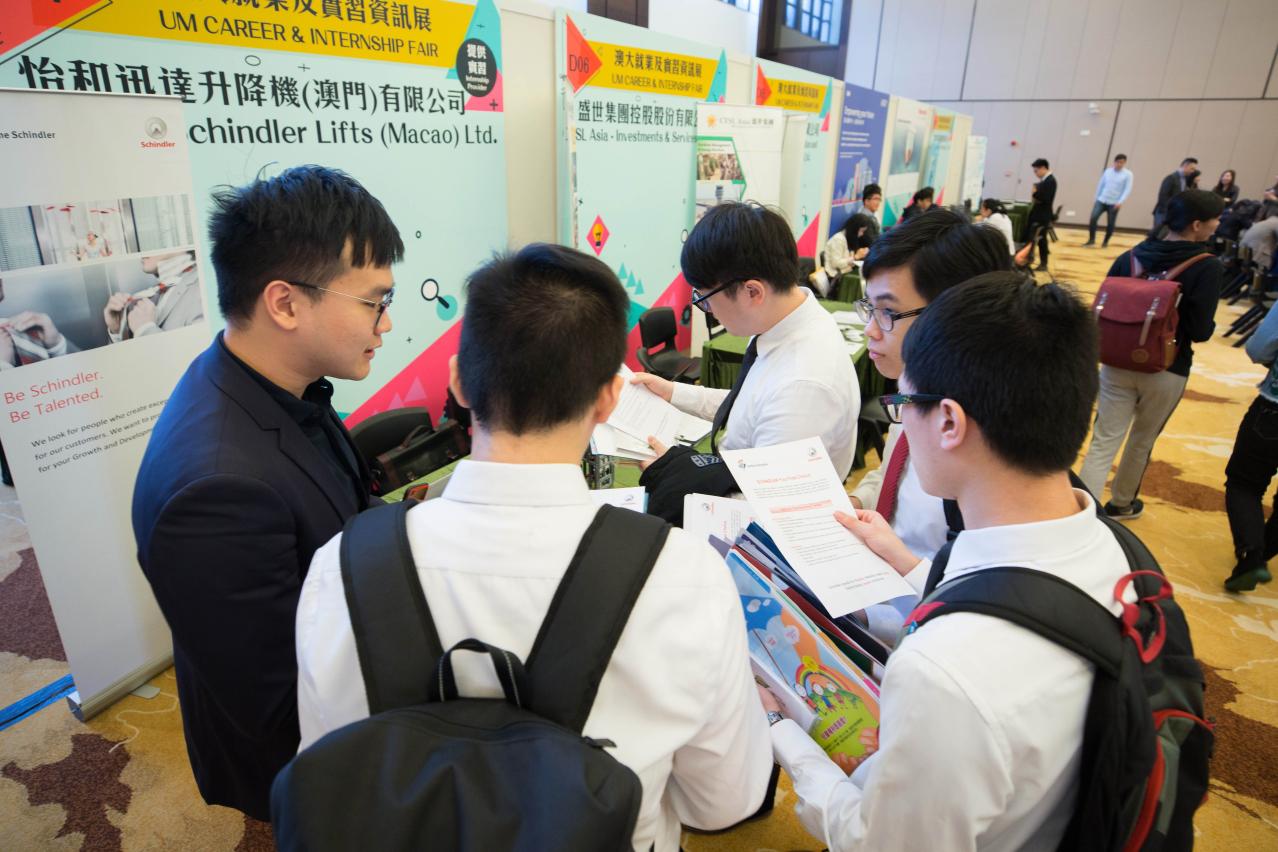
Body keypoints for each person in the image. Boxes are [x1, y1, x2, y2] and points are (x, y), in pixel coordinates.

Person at [296, 243, 773, 851]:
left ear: (459, 382)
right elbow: (722, 802)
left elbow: (327, 765)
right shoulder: (685, 577)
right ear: (609, 398)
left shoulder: (341, 566)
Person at [761, 272, 1132, 850]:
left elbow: (876, 842)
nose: (901, 422)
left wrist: (781, 729)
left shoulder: (944, 674)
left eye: (903, 404)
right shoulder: (1115, 548)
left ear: (950, 422)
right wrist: (906, 563)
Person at [132, 166, 401, 821]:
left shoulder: (268, 379)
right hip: (306, 753)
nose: (386, 324)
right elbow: (279, 705)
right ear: (284, 304)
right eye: (374, 302)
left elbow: (344, 503)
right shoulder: (217, 493)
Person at [632, 202, 858, 518]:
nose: (707, 310)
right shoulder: (778, 322)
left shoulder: (804, 387)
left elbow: (762, 510)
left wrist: (671, 473)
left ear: (752, 292)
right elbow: (752, 406)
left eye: (705, 299)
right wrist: (673, 392)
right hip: (732, 475)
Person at [849, 208, 1013, 640]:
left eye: (887, 312)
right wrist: (859, 500)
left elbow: (980, 617)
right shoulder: (915, 393)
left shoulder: (981, 453)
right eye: (869, 308)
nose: (870, 331)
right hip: (878, 599)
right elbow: (893, 473)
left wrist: (882, 605)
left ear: (952, 315)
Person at [1078, 189, 1226, 519]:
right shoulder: (1206, 267)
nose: (1218, 225)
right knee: (1142, 440)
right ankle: (1121, 503)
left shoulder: (1131, 256)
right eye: (1216, 219)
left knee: (1103, 439)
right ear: (1197, 225)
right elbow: (1200, 331)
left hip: (1115, 360)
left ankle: (1083, 512)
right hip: (1166, 368)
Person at [1223, 302, 1278, 592]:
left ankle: (1252, 554)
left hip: (1273, 411)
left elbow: (1259, 349)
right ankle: (1260, 554)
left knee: (1244, 483)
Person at [104, 250, 204, 341]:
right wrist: (118, 331)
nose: (140, 251)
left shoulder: (203, 287)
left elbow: (200, 353)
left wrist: (146, 330)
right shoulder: (161, 289)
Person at [1084, 154, 1133, 248]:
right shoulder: (1107, 171)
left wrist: (1120, 202)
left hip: (1115, 203)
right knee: (1093, 218)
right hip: (1102, 200)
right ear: (1114, 162)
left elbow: (1127, 189)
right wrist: (1096, 198)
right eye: (1118, 162)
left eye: (1122, 162)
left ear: (1124, 163)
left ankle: (1105, 242)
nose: (1119, 164)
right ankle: (1091, 240)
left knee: (1110, 223)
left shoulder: (1128, 174)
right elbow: (1101, 185)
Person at [1151, 157, 1199, 237]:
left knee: (1165, 236)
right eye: (1192, 169)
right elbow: (1163, 196)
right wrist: (1168, 212)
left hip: (1172, 213)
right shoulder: (1171, 178)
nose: (1193, 171)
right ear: (1185, 166)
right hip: (1163, 212)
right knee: (1158, 235)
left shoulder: (1184, 180)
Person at [1022, 158, 1056, 270]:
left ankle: (1043, 263)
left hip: (1042, 215)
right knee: (1039, 239)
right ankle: (1034, 261)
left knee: (1041, 240)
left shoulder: (1050, 181)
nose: (1035, 173)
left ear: (1043, 168)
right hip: (1040, 214)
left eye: (1036, 171)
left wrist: (1034, 193)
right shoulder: (1045, 181)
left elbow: (1045, 198)